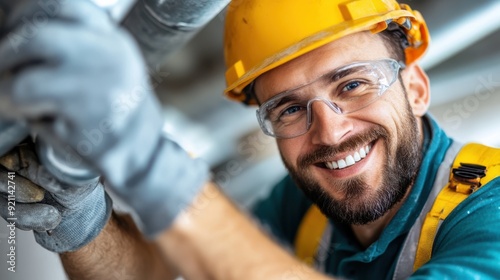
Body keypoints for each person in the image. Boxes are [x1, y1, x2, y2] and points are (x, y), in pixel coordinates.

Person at [0, 1, 499, 280]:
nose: (329, 132)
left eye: (352, 84)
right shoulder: (308, 207)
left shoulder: (492, 209)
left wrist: (153, 167)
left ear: (415, 89)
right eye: (288, 109)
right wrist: (83, 221)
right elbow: (160, 272)